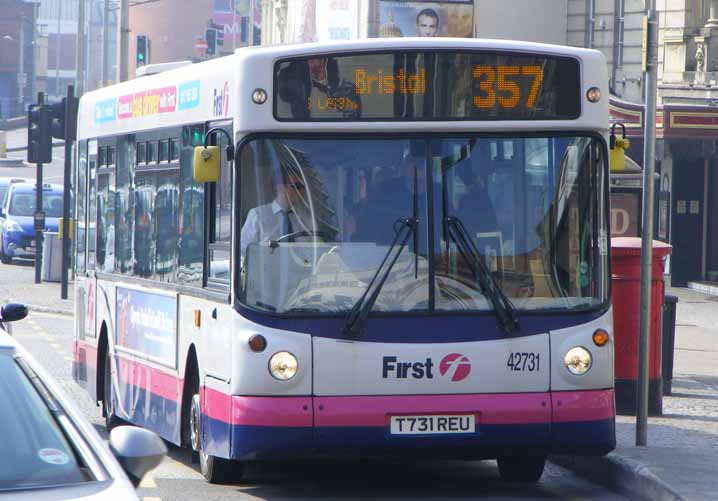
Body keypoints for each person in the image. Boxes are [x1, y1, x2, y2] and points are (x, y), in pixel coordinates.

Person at [240, 170, 310, 258]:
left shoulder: (306, 218)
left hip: (302, 269)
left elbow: (317, 249)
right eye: (297, 186)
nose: (302, 191)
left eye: (303, 186)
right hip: (266, 270)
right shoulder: (258, 215)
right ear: (280, 188)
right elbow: (243, 251)